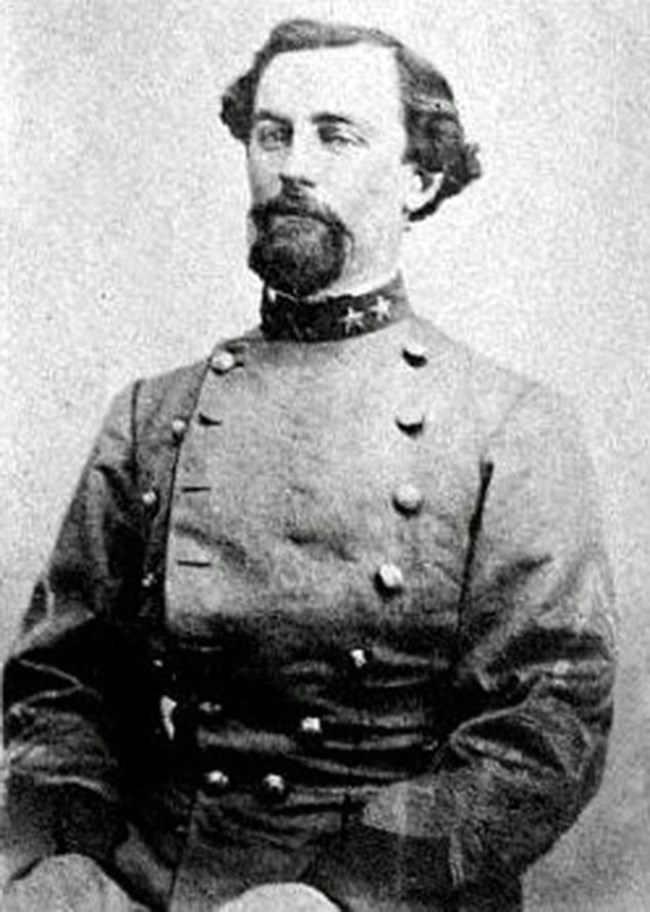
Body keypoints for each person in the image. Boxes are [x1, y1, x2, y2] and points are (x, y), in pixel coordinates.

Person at [1, 18, 616, 912]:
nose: (293, 163)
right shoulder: (152, 416)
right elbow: (61, 685)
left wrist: (338, 895)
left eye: (336, 135)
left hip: (384, 891)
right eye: (271, 133)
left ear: (421, 176)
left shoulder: (511, 427)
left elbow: (547, 724)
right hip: (150, 883)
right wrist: (61, 862)